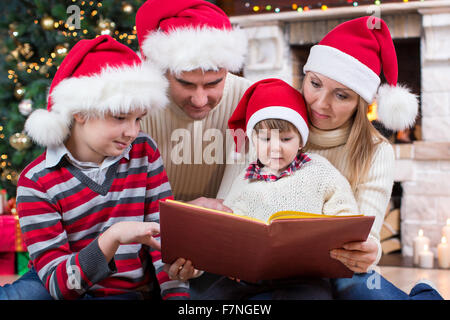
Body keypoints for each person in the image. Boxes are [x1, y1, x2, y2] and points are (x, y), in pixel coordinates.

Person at [218, 16, 442, 300]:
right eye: (314, 83)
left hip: (339, 265)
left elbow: (365, 234)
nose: (321, 103)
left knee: (357, 289)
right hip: (270, 270)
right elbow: (228, 206)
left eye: (341, 95)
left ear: (361, 103)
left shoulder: (377, 152)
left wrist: (369, 249)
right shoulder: (272, 127)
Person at [0, 35, 190, 300]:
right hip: (62, 285)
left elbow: (164, 239)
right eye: (120, 117)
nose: (132, 131)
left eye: (139, 119)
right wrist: (111, 239)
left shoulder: (144, 151)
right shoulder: (37, 181)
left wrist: (177, 298)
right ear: (80, 111)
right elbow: (59, 285)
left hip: (128, 291)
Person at [193, 78, 364, 300]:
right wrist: (232, 261)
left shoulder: (319, 170)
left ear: (301, 140)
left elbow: (345, 214)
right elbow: (229, 227)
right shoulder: (245, 179)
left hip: (304, 276)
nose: (275, 148)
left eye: (285, 138)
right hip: (250, 276)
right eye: (265, 139)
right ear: (253, 139)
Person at [135, 0, 251, 203]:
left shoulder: (249, 97)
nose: (199, 100)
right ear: (163, 71)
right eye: (186, 84)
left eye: (213, 84)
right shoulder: (138, 106)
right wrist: (186, 212)